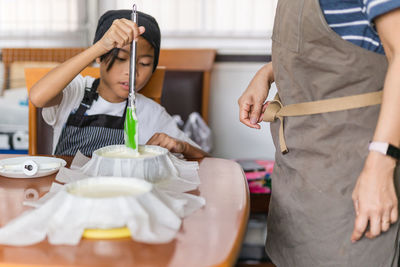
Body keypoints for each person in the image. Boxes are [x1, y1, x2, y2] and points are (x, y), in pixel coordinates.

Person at [238, 0, 400, 266]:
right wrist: (268, 72)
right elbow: (346, 45)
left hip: (353, 169)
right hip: (300, 172)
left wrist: (381, 165)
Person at [29, 10, 207, 159]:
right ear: (99, 57)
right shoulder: (76, 91)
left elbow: (204, 158)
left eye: (144, 63)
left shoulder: (151, 113)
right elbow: (38, 97)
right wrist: (100, 46)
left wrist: (182, 146)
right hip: (69, 194)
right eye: (121, 58)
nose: (132, 72)